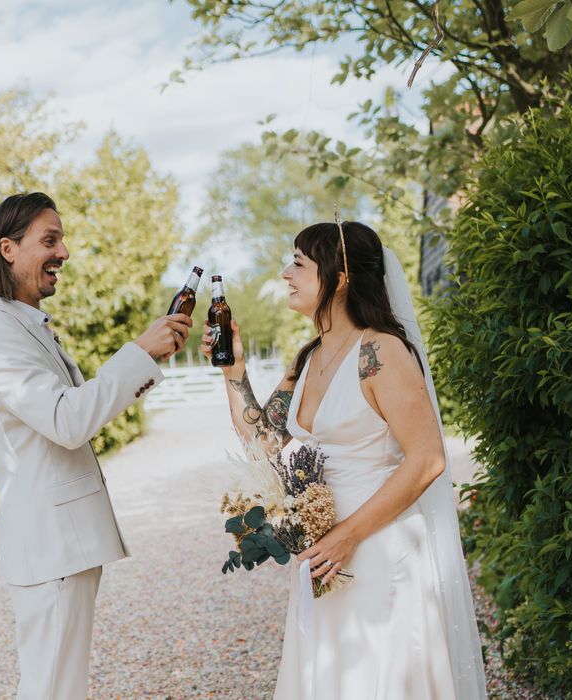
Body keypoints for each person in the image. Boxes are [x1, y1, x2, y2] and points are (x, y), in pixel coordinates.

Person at [201, 219, 487, 699]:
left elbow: (428, 460)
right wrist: (235, 372)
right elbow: (264, 440)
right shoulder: (307, 358)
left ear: (342, 274)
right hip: (324, 550)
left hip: (376, 542)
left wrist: (346, 535)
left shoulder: (380, 351)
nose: (286, 273)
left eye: (298, 262)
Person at [0, 192, 191, 699]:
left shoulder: (24, 325)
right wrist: (139, 351)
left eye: (61, 239)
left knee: (60, 685)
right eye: (50, 240)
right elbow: (68, 420)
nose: (63, 252)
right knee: (51, 688)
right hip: (49, 546)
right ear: (8, 248)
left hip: (59, 546)